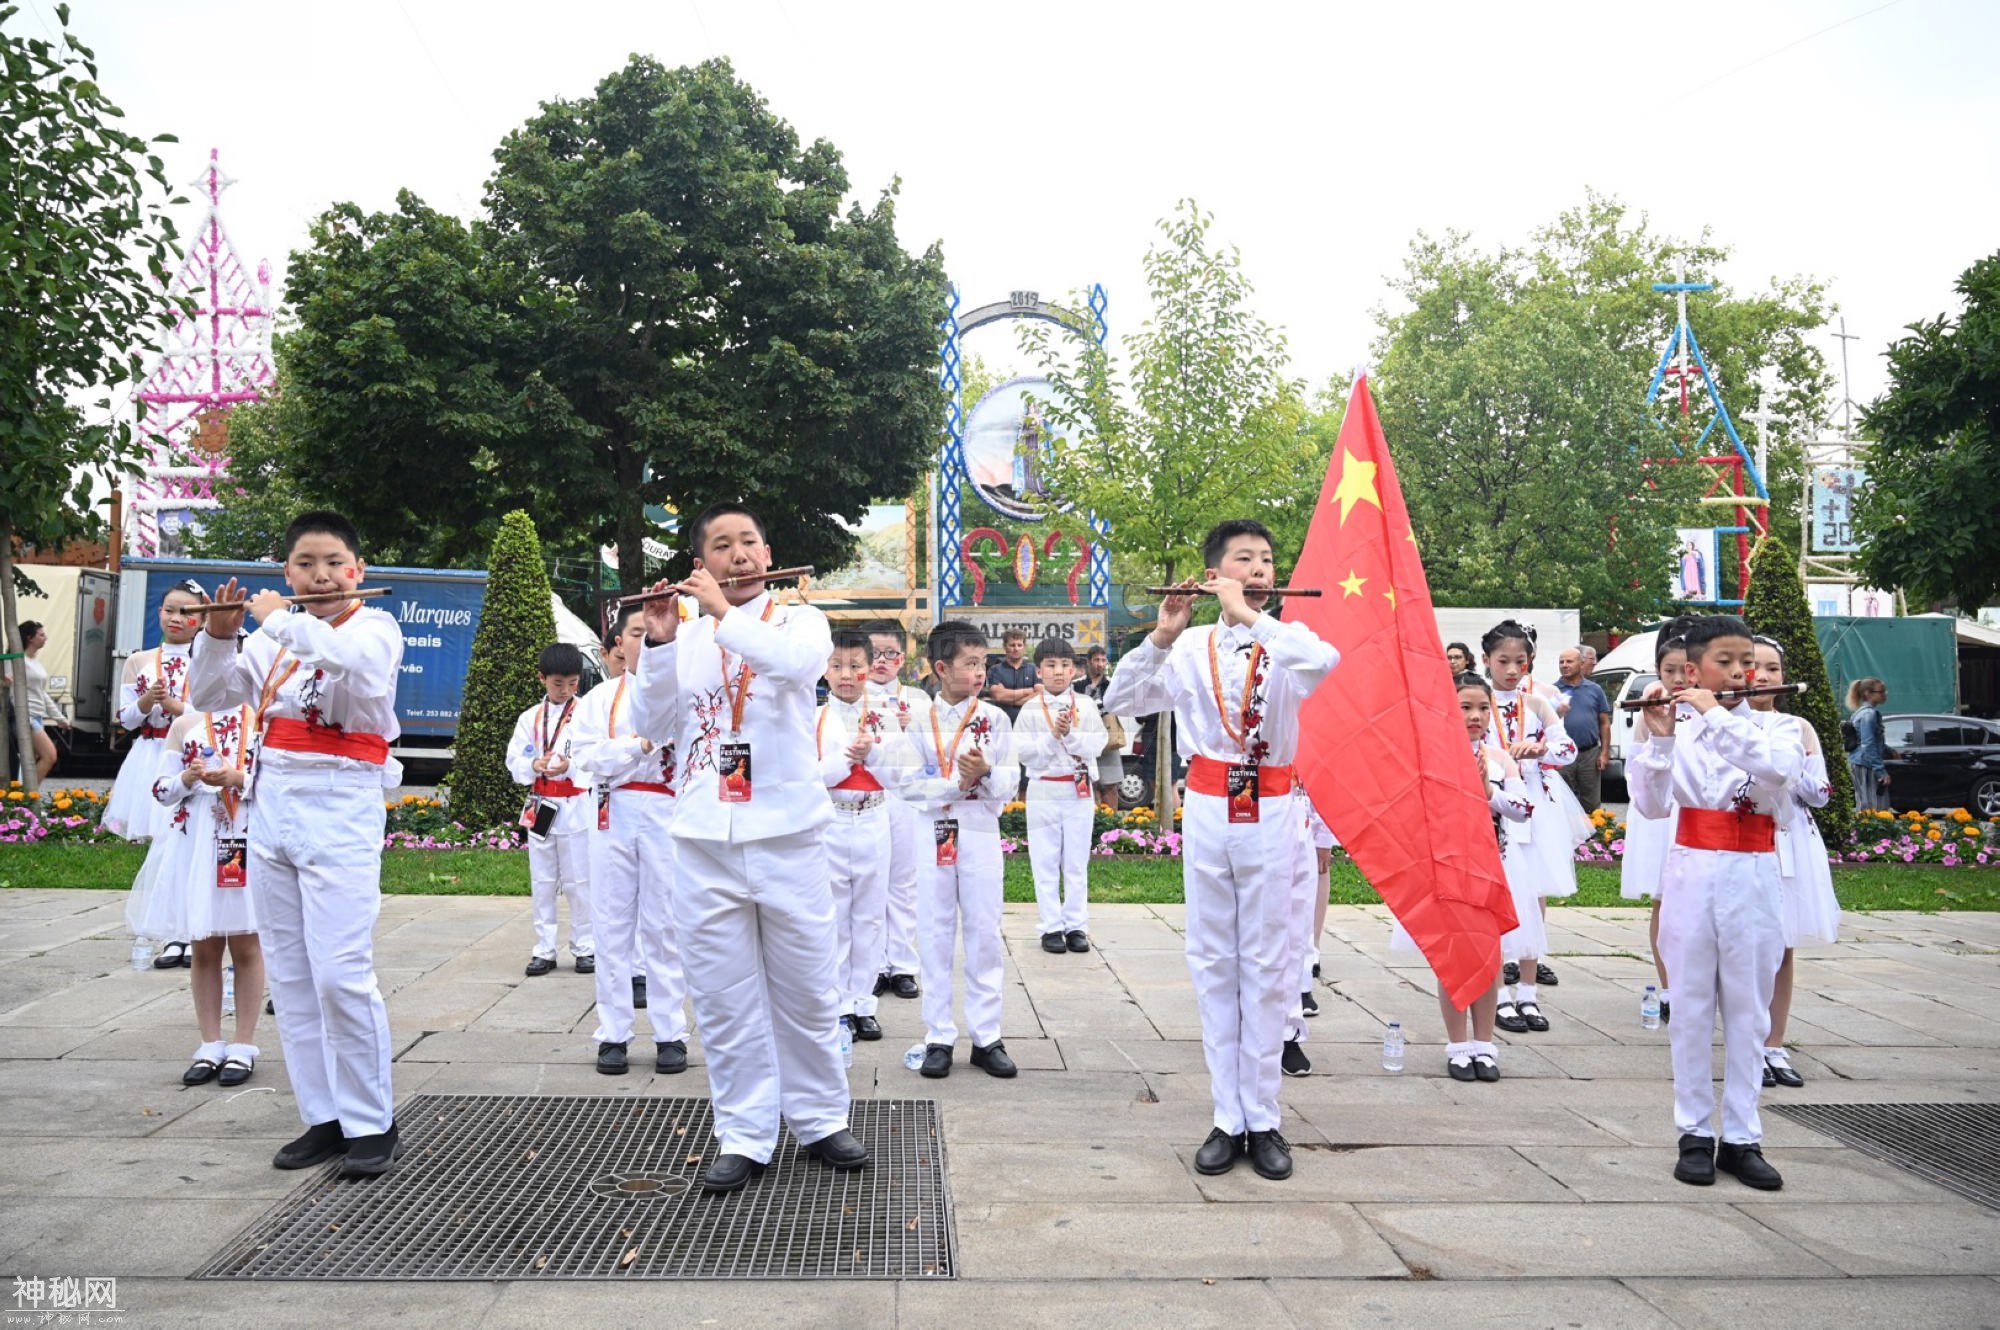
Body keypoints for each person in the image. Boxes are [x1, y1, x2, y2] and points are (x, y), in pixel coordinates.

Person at [628, 502, 865, 1193]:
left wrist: (724, 618)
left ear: (768, 553)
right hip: (706, 837)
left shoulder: (798, 620)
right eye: (722, 546)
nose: (739, 555)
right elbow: (655, 723)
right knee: (724, 995)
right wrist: (663, 646)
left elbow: (794, 669)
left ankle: (821, 1118)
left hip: (787, 833)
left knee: (808, 988)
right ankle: (744, 1132)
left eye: (749, 543)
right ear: (699, 561)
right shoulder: (689, 636)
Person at [1103, 519, 1337, 1182]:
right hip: (1209, 807)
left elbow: (1325, 665)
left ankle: (1263, 1118)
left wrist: (1250, 617)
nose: (1261, 569)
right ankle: (1224, 1115)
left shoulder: (1290, 641)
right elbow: (1120, 700)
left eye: (1267, 560)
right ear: (1216, 573)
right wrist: (1163, 633)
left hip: (1272, 807)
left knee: (1268, 959)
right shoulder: (1192, 645)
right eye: (1245, 560)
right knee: (1213, 959)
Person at [190, 511, 404, 1177]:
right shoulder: (269, 643)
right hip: (272, 800)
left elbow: (354, 669)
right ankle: (325, 1116)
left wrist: (280, 617)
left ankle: (374, 1121)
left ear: (358, 571)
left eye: (335, 562)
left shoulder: (374, 627)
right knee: (292, 973)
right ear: (287, 572)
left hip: (340, 801)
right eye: (306, 564)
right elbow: (210, 693)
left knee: (341, 971)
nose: (322, 574)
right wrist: (221, 636)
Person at [1630, 615, 1801, 1191]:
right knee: (1693, 1007)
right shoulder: (1677, 726)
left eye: (1743, 660)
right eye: (1723, 661)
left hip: (1753, 874)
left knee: (1749, 1011)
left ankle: (1743, 1136)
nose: (1738, 670)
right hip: (1691, 871)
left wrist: (1712, 710)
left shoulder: (1778, 727)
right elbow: (1652, 805)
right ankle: (1694, 1134)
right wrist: (1656, 736)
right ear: (1695, 668)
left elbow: (1775, 771)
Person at [1390, 674, 1531, 1082]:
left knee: (1487, 960)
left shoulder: (1500, 758)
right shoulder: (1430, 756)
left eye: (1483, 708)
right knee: (1453, 958)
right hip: (1449, 870)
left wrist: (1488, 790)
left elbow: (1523, 809)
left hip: (1492, 871)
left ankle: (1485, 1044)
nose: (1475, 715)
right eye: (1465, 707)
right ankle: (1457, 1044)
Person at [570, 605, 686, 1077]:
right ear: (619, 643)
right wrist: (634, 748)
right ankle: (613, 1032)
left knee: (664, 925)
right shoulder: (599, 699)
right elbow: (585, 756)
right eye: (637, 633)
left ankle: (670, 1032)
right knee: (612, 923)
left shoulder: (682, 696)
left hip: (665, 810)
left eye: (653, 634)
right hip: (613, 810)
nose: (645, 641)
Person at [125, 704, 266, 1088]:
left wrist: (238, 777)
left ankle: (243, 1044)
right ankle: (209, 1042)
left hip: (243, 835)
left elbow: (277, 781)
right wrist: (187, 778)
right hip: (198, 841)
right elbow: (161, 789)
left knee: (246, 944)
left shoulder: (261, 719)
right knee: (203, 944)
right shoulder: (185, 725)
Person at [904, 621, 1019, 1079]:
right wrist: (956, 780)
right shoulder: (914, 721)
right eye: (969, 663)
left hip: (977, 829)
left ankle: (986, 1035)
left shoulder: (994, 720)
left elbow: (1009, 784)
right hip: (934, 828)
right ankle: (938, 1034)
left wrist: (987, 772)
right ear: (940, 668)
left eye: (983, 662)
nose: (979, 672)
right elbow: (908, 785)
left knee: (984, 931)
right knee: (933, 932)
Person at [1749, 636, 1839, 1090]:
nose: (1762, 677)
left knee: (1782, 947)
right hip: (1744, 842)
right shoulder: (1722, 722)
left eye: (1772, 669)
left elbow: (1821, 794)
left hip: (1791, 841)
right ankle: (1746, 1042)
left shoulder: (1798, 727)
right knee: (1745, 950)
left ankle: (1774, 1044)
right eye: (1753, 666)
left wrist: (1797, 768)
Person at [1483, 621, 1577, 1034]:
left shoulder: (1537, 702)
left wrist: (1541, 749)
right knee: (1498, 893)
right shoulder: (1476, 701)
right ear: (1486, 660)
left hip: (1533, 802)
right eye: (1503, 661)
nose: (1511, 669)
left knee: (1533, 893)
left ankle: (1528, 990)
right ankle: (1498, 994)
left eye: (1519, 661)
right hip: (1490, 801)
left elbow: (1567, 748)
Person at [816, 628, 906, 1043]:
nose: (846, 675)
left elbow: (898, 775)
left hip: (873, 816)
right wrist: (843, 760)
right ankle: (836, 1006)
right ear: (824, 670)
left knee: (870, 913)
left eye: (855, 666)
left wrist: (874, 755)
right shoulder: (813, 718)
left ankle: (863, 1003)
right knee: (834, 915)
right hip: (831, 817)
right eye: (837, 666)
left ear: (871, 669)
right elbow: (809, 775)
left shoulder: (885, 715)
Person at [1619, 623, 1696, 1023]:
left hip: (1698, 806)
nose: (1679, 678)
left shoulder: (1710, 706)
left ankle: (1697, 985)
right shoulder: (1652, 706)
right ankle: (1667, 988)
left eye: (1686, 669)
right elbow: (1637, 767)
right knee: (1663, 902)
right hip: (1662, 811)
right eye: (1670, 670)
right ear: (1658, 671)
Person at [506, 644, 596, 979]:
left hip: (575, 804)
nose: (566, 690)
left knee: (579, 881)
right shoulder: (529, 718)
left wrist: (571, 766)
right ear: (542, 679)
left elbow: (594, 757)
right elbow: (514, 761)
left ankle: (585, 946)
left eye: (572, 683)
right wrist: (534, 764)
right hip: (541, 804)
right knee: (543, 881)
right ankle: (544, 949)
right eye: (558, 683)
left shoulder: (587, 713)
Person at [1015, 636, 1107, 955]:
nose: (1058, 672)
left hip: (1078, 789)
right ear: (1038, 671)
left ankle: (1077, 924)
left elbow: (1098, 744)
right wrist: (1053, 738)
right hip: (1044, 788)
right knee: (1045, 859)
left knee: (1076, 860)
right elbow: (1026, 755)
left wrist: (1072, 735)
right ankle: (1051, 925)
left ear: (1074, 671)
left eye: (1065, 665)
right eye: (1051, 665)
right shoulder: (1029, 710)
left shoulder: (1085, 705)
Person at [103, 582, 205, 844]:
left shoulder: (206, 660)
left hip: (189, 752)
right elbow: (125, 719)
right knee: (149, 826)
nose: (176, 619)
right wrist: (147, 701)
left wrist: (175, 707)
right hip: (149, 750)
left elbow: (213, 713)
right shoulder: (139, 660)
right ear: (159, 612)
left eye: (186, 612)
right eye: (170, 611)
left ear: (203, 619)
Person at [862, 619, 930, 1003]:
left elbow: (936, 753)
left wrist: (913, 727)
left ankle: (902, 964)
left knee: (903, 883)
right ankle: (872, 965)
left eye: (889, 654)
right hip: (866, 797)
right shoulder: (854, 696)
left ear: (902, 658)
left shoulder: (918, 700)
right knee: (870, 883)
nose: (881, 661)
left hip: (905, 798)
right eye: (873, 654)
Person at [1, 620, 67, 783]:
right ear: (30, 638)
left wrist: (59, 718)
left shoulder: (35, 663)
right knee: (50, 755)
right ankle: (26, 796)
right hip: (26, 717)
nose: (46, 638)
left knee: (29, 763)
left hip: (38, 716)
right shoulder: (15, 660)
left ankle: (22, 799)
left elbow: (42, 694)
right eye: (41, 634)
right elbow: (10, 688)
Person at [1555, 646, 1612, 813]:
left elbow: (1604, 723)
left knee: (1591, 803)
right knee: (1563, 802)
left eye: (1569, 661)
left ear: (1581, 664)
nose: (1564, 665)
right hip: (1563, 754)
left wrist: (1604, 752)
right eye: (1561, 662)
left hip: (1589, 754)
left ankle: (1594, 838)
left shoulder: (1595, 690)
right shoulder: (1553, 691)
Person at [1079, 644, 1125, 807]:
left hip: (1107, 738)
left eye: (1103, 660)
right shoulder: (1077, 685)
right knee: (1088, 784)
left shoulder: (1112, 684)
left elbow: (1118, 705)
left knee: (1110, 785)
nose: (1100, 664)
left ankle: (1112, 823)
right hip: (1084, 741)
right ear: (1089, 662)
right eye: (1096, 660)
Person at [1846, 678, 1891, 812]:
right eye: (1881, 691)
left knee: (1866, 802)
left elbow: (1870, 740)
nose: (1885, 694)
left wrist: (1889, 750)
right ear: (1868, 693)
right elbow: (1868, 744)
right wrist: (1881, 771)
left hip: (1860, 761)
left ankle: (1865, 830)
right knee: (1871, 805)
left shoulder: (1861, 713)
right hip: (1865, 764)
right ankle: (1867, 832)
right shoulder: (1868, 714)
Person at [983, 629, 1037, 722]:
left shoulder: (1034, 669)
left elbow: (1040, 695)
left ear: (1024, 647)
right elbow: (999, 696)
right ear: (1004, 646)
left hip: (1029, 723)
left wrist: (1008, 696)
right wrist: (1028, 691)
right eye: (1012, 645)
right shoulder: (995, 669)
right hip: (1002, 722)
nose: (1016, 648)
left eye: (1019, 645)